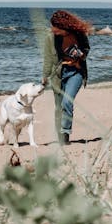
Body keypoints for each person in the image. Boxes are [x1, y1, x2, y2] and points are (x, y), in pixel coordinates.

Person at [42, 10, 91, 145]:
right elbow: (48, 58)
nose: (53, 30)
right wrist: (45, 76)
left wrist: (80, 54)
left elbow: (87, 49)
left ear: (65, 26)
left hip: (76, 71)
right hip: (58, 74)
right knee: (59, 107)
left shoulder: (79, 34)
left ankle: (65, 133)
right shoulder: (50, 37)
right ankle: (60, 136)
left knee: (67, 102)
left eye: (56, 28)